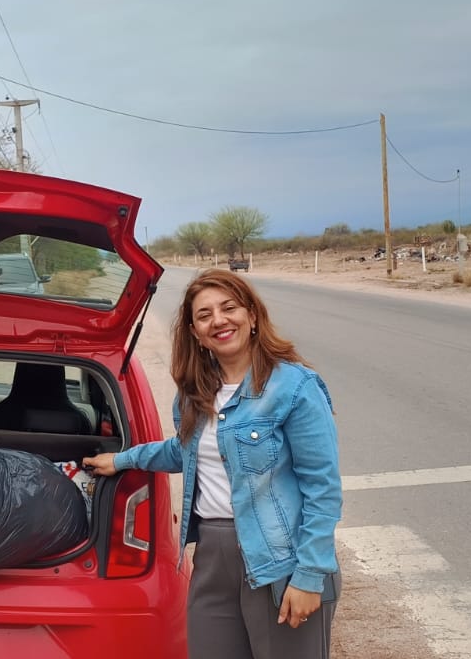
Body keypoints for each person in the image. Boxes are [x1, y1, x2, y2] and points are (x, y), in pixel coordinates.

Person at [83, 269, 342, 659]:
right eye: (204, 315)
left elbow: (323, 489)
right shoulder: (195, 393)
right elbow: (186, 452)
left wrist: (309, 576)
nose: (218, 320)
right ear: (196, 332)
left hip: (279, 561)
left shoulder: (295, 386)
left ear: (251, 315)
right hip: (212, 556)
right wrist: (122, 459)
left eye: (229, 308)